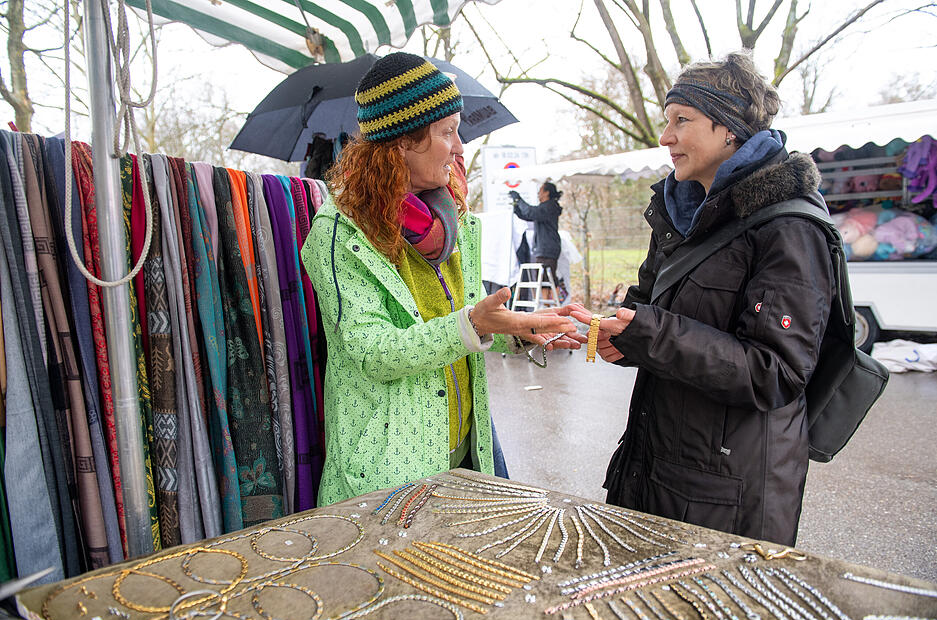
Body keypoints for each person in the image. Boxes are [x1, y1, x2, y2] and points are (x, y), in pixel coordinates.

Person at [568, 52, 834, 546]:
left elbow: (775, 371)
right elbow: (650, 311)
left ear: (728, 129)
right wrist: (612, 333)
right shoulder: (678, 211)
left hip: (728, 495)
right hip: (657, 467)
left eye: (681, 121)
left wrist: (648, 334)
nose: (665, 137)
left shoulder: (788, 226)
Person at [301, 52, 580, 506]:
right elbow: (372, 352)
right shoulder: (339, 234)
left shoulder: (451, 221)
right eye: (447, 131)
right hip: (389, 472)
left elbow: (464, 322)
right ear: (401, 142)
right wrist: (475, 324)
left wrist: (526, 331)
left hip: (469, 452)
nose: (459, 146)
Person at [509, 182, 564, 301]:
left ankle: (555, 303)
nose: (538, 194)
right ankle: (548, 304)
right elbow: (527, 215)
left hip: (548, 248)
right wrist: (517, 208)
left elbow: (531, 212)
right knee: (544, 279)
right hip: (543, 248)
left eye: (540, 191)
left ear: (547, 192)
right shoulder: (544, 208)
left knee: (548, 279)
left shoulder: (549, 206)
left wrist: (519, 199)